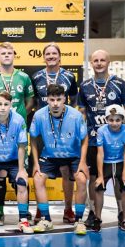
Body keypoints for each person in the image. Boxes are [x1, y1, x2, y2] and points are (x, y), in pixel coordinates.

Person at [78, 49, 125, 229]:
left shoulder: (119, 84)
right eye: (95, 60)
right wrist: (81, 132)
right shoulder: (85, 85)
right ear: (91, 63)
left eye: (102, 60)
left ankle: (122, 213)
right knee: (95, 178)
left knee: (120, 178)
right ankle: (94, 214)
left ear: (108, 62)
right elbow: (81, 112)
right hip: (94, 141)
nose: (99, 63)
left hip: (115, 141)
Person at [0, 42, 34, 225]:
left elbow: (30, 101)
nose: (6, 55)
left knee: (21, 171)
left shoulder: (23, 77)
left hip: (17, 131)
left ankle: (25, 213)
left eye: (9, 52)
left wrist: (18, 117)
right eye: (3, 53)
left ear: (14, 55)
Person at [30, 84, 89, 235]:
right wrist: (36, 163)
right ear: (47, 100)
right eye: (52, 100)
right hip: (49, 155)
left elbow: (84, 139)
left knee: (82, 179)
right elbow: (34, 139)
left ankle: (79, 220)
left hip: (73, 155)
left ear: (65, 99)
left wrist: (82, 162)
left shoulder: (76, 116)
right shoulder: (39, 115)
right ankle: (46, 219)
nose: (55, 103)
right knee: (37, 179)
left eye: (58, 99)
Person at [31, 43, 79, 224]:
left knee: (67, 171)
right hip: (44, 129)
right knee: (38, 173)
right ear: (44, 57)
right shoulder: (36, 77)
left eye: (54, 53)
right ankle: (40, 210)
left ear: (60, 57)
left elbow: (74, 100)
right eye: (48, 54)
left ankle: (68, 209)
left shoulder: (69, 76)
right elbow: (33, 101)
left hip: (65, 129)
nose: (51, 56)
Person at [0, 91, 33, 234]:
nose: (3, 107)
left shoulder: (19, 120)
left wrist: (21, 169)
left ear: (11, 105)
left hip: (13, 160)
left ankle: (23, 221)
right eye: (0, 104)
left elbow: (22, 146)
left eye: (6, 104)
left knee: (22, 182)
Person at [94, 104, 125, 233]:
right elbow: (100, 153)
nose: (114, 123)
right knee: (98, 188)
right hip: (106, 163)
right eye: (111, 120)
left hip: (120, 163)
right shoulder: (101, 131)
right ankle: (97, 219)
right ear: (106, 119)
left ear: (122, 119)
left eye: (118, 120)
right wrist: (100, 176)